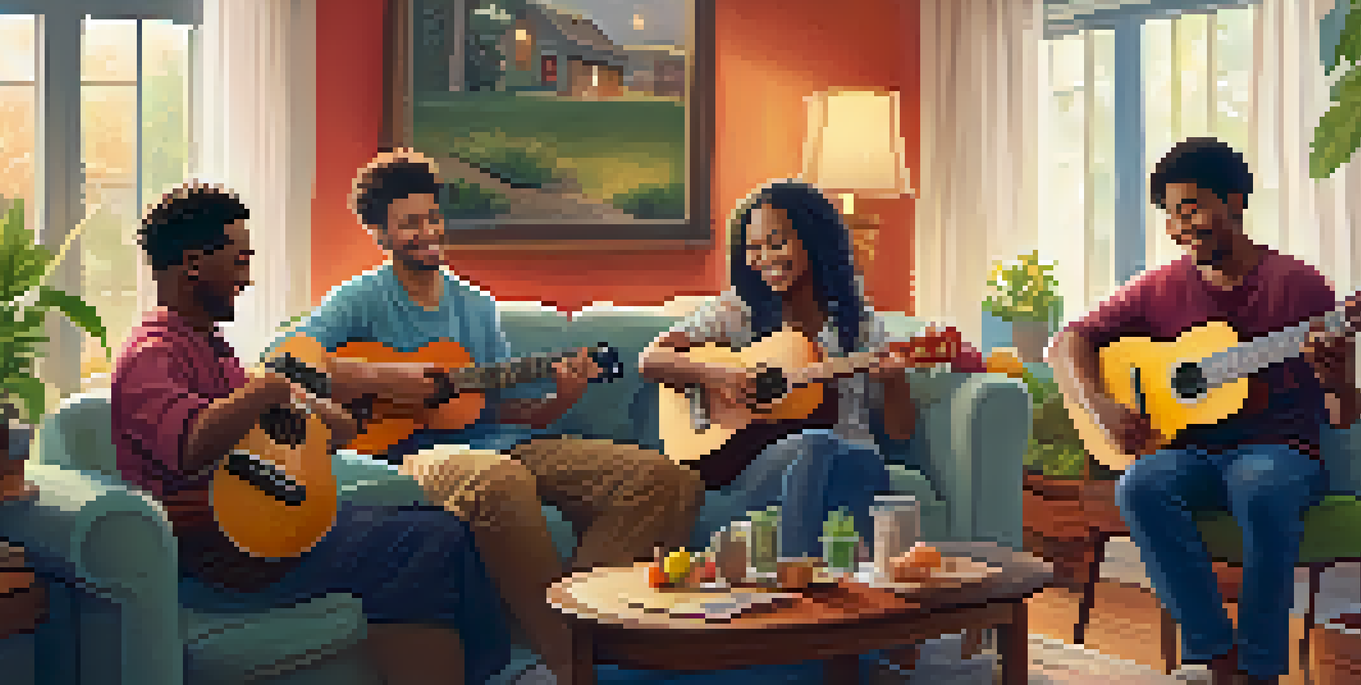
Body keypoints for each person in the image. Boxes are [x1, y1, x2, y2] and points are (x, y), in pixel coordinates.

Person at [273, 150, 704, 683]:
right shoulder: (360, 299)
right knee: (500, 480)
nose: (428, 231)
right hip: (407, 454)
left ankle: (567, 632)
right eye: (409, 223)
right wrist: (388, 379)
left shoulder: (474, 305)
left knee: (667, 481)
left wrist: (559, 402)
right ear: (381, 234)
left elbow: (496, 405)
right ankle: (571, 665)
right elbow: (285, 360)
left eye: (432, 217)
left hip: (496, 440)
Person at [111, 183, 508, 685]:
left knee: (433, 524)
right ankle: (504, 674)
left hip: (257, 520)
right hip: (218, 549)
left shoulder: (210, 348)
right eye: (238, 261)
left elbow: (325, 427)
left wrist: (310, 407)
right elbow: (188, 447)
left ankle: (496, 672)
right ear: (193, 265)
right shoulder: (153, 352)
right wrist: (268, 391)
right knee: (425, 541)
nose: (247, 278)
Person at [1046, 138, 1361, 685]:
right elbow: (1067, 341)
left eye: (1192, 208)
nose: (1180, 226)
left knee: (1258, 484)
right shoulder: (1160, 288)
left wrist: (1336, 376)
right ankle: (1216, 658)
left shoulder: (1301, 287)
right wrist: (1099, 405)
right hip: (1191, 452)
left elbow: (1344, 414)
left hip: (1281, 453)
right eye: (1170, 214)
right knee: (1140, 486)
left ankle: (1260, 669)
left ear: (1235, 200)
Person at [639, 179, 919, 559]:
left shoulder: (859, 324)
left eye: (777, 242)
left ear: (814, 240)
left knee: (857, 460)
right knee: (818, 444)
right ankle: (796, 578)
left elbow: (899, 433)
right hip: (758, 460)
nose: (765, 257)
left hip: (853, 456)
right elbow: (652, 360)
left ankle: (856, 598)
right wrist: (725, 376)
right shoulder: (738, 312)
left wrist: (895, 380)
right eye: (754, 247)